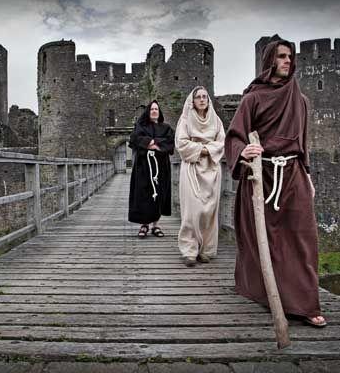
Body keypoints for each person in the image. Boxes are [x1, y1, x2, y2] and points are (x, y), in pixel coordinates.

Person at [224, 38, 326, 327]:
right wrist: (243, 150)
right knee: (264, 240)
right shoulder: (252, 99)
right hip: (261, 176)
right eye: (281, 56)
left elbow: (303, 142)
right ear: (270, 60)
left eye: (290, 56)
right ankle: (269, 294)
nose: (287, 61)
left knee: (303, 238)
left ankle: (305, 303)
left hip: (293, 174)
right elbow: (235, 136)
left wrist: (307, 175)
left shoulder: (300, 100)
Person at [175, 86, 225, 267]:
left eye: (205, 97)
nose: (202, 99)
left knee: (209, 211)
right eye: (198, 97)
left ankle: (206, 250)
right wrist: (202, 150)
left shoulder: (216, 120)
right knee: (192, 210)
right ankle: (189, 250)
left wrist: (206, 150)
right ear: (193, 101)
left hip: (212, 168)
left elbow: (221, 141)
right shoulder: (185, 119)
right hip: (192, 168)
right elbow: (181, 143)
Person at [128, 100, 175, 238]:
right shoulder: (140, 126)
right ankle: (144, 225)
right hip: (143, 167)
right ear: (148, 111)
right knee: (144, 194)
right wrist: (151, 142)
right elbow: (135, 139)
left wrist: (153, 142)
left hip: (161, 166)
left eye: (156, 109)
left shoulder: (166, 128)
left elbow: (170, 142)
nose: (154, 111)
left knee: (159, 194)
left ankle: (156, 225)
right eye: (152, 109)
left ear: (159, 112)